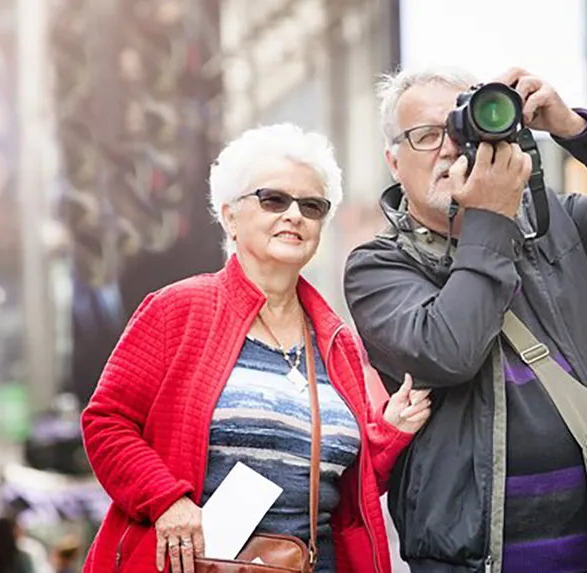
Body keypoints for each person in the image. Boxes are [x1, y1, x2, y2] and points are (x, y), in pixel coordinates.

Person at [343, 66, 587, 572]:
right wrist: (491, 215)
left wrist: (574, 128)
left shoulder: (551, 230)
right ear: (394, 161)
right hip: (474, 559)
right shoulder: (378, 267)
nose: (447, 148)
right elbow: (449, 351)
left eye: (459, 127)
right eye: (425, 136)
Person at [81, 123, 432, 573]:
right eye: (273, 199)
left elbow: (346, 486)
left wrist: (389, 434)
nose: (294, 215)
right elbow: (106, 423)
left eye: (311, 205)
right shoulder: (178, 309)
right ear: (229, 215)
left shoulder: (337, 341)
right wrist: (166, 501)